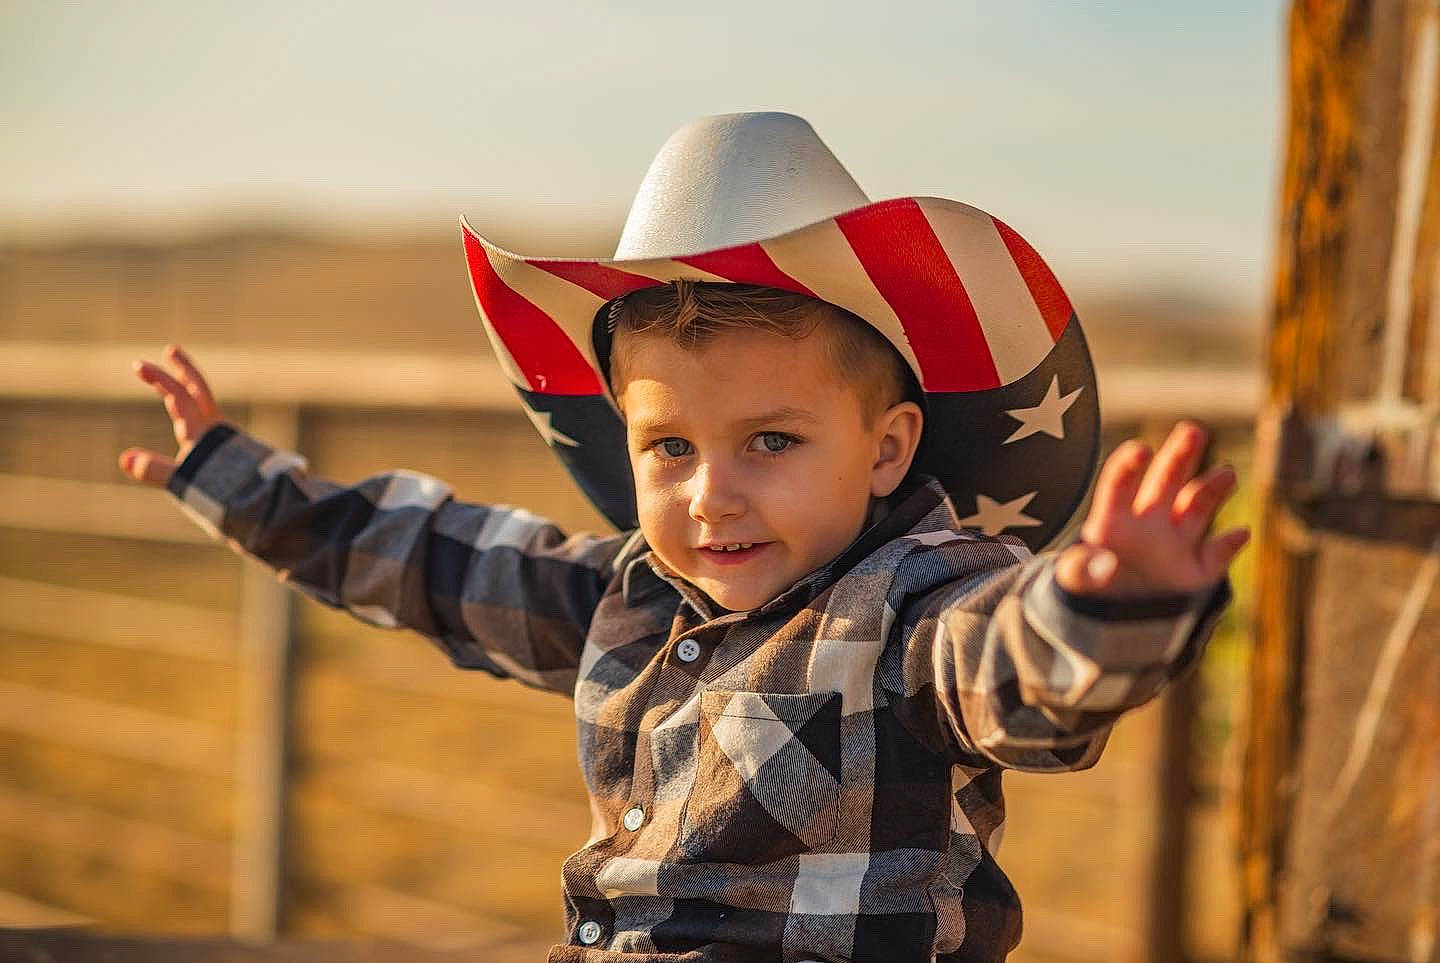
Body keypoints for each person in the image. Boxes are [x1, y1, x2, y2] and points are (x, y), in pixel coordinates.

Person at [118, 113, 1247, 962]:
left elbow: (1012, 674)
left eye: (770, 442)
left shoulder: (916, 603)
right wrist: (250, 489)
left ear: (888, 449)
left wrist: (1107, 608)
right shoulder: (633, 597)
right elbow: (442, 564)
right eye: (668, 449)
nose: (710, 496)